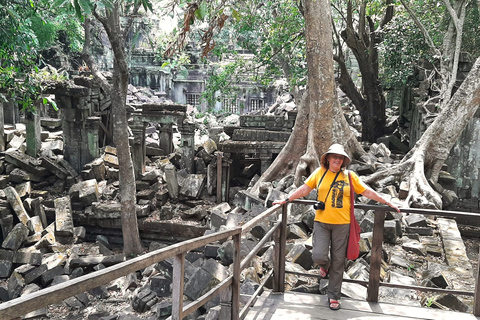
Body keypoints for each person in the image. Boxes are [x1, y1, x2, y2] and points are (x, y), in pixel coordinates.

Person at [273, 144, 400, 311]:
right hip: (322, 223)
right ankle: (325, 267)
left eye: (340, 158)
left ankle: (333, 296)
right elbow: (304, 189)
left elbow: (366, 192)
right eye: (335, 157)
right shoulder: (320, 173)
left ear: (343, 161)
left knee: (339, 260)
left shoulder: (349, 176)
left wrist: (386, 201)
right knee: (318, 255)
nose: (338, 160)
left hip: (342, 224)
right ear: (328, 158)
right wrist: (286, 199)